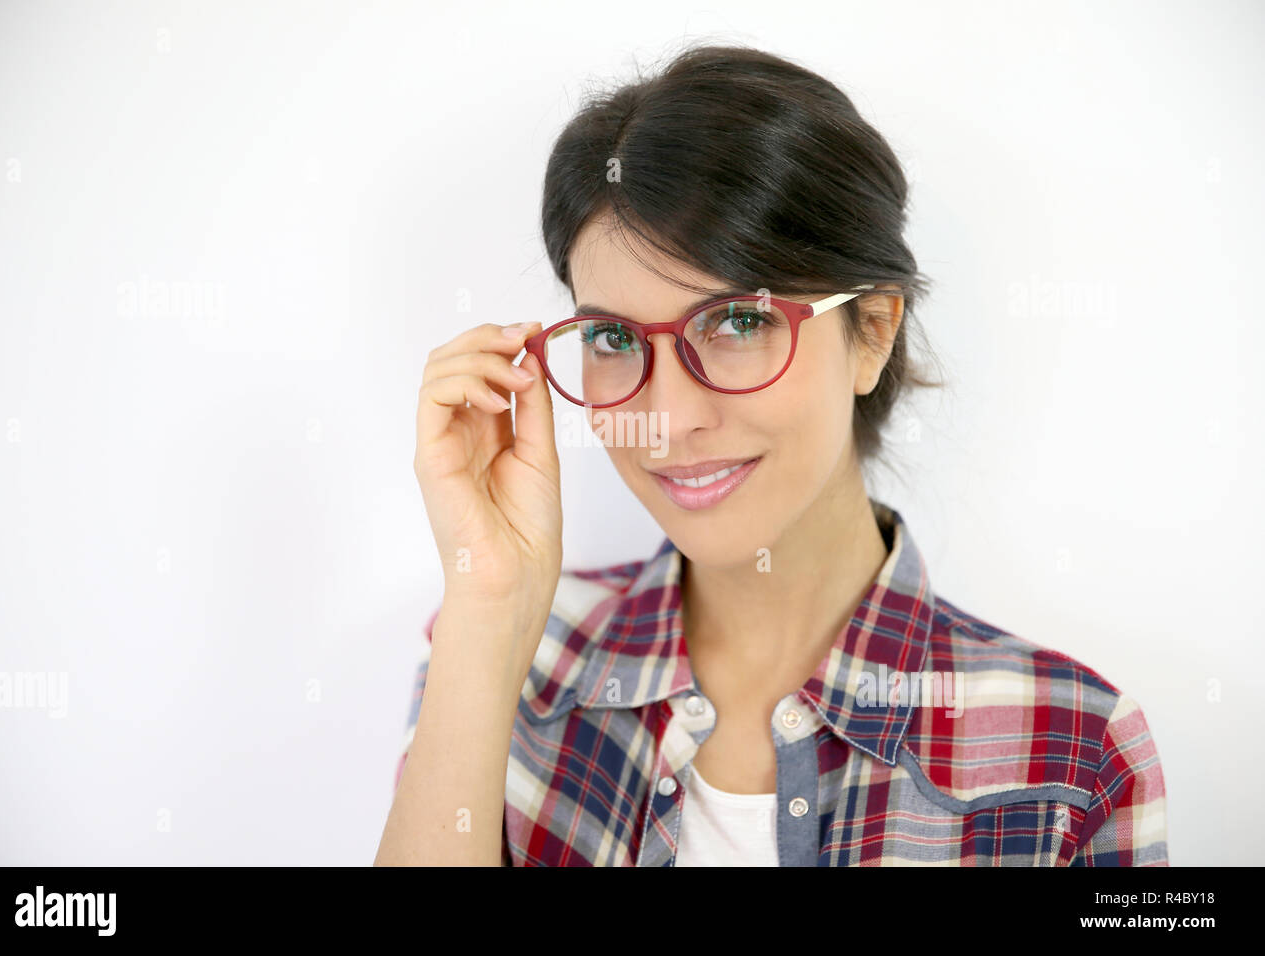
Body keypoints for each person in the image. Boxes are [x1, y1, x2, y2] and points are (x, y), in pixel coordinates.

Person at [374, 43, 1167, 866]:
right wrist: (490, 603)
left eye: (739, 323)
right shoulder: (502, 658)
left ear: (873, 332)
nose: (669, 419)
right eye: (612, 337)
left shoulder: (1071, 753)